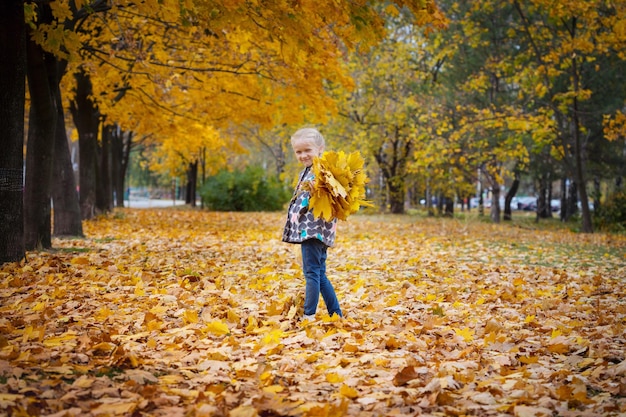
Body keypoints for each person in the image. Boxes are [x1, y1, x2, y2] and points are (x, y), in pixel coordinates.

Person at [282, 127, 343, 321]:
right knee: (319, 273)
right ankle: (336, 314)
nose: (303, 155)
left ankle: (309, 315)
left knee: (311, 273)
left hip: (314, 230)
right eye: (298, 152)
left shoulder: (322, 172)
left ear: (320, 148)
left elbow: (326, 197)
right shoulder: (307, 172)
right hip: (310, 230)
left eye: (307, 150)